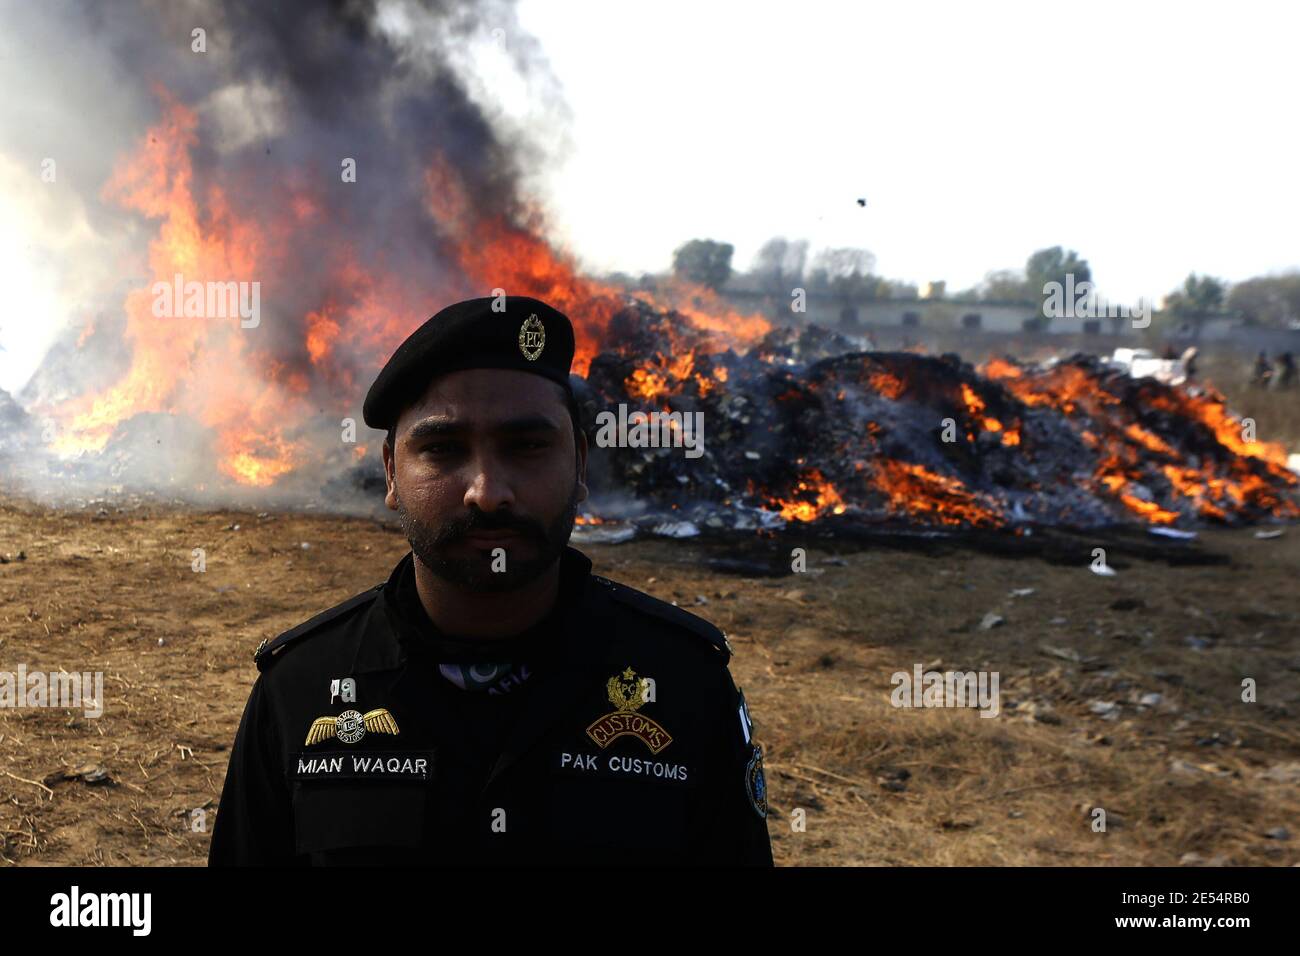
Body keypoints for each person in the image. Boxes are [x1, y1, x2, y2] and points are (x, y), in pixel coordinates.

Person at [207, 295, 774, 866]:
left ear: (579, 465)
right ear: (390, 472)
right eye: (442, 449)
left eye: (526, 446)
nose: (487, 491)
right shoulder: (302, 688)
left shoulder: (685, 684)